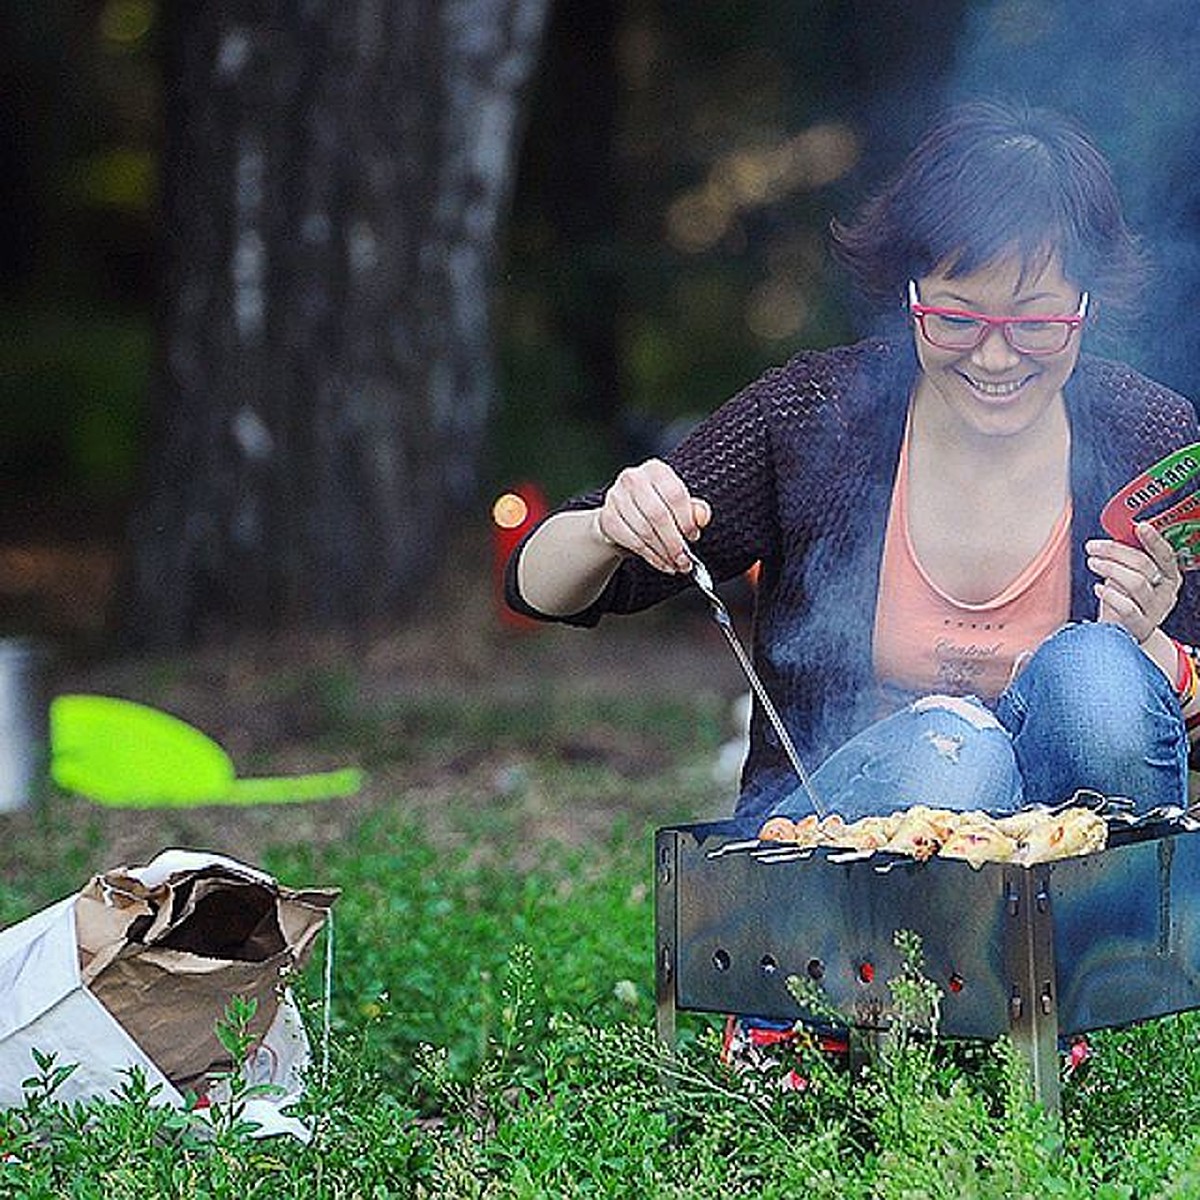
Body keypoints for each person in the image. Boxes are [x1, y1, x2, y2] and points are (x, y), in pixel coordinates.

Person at [506, 99, 1200, 833]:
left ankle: (1117, 945)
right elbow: (536, 585)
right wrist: (610, 527)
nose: (996, 356)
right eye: (958, 318)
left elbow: (1162, 731)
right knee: (956, 752)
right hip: (840, 864)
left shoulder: (1145, 434)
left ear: (1086, 305)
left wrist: (1155, 651)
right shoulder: (817, 416)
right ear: (910, 293)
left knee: (1100, 678)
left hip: (1068, 867)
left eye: (1035, 322)